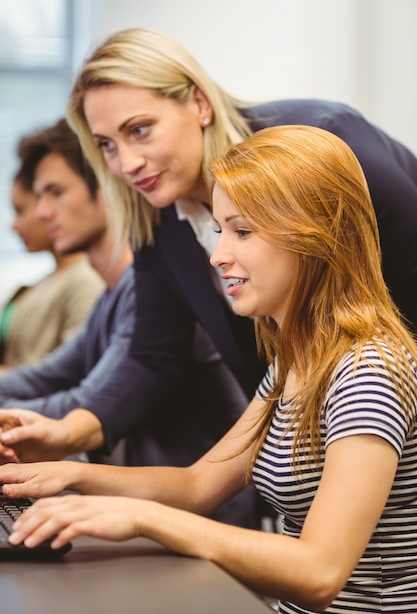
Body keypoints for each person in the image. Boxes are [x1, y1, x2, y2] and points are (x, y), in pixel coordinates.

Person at [2, 125, 417, 613]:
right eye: (220, 231)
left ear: (316, 234)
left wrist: (142, 518)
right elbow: (199, 485)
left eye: (242, 231)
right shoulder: (295, 361)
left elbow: (320, 571)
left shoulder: (368, 370)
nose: (219, 256)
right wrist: (60, 477)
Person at [0, 119, 260, 528]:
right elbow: (46, 378)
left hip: (202, 526)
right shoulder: (114, 296)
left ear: (106, 189)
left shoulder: (154, 298)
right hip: (162, 513)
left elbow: (87, 399)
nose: (43, 212)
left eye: (56, 192)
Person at [0, 144, 104, 369]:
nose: (14, 225)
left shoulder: (86, 278)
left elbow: (73, 371)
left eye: (20, 210)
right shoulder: (40, 283)